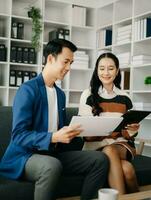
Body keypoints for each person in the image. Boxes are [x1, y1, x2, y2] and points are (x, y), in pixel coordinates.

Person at [0, 39, 109, 200]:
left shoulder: (60, 94)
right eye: (65, 62)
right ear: (50, 58)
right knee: (51, 166)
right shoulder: (28, 90)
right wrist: (53, 137)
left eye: (71, 63)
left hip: (53, 154)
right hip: (25, 157)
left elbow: (60, 132)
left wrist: (76, 131)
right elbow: (19, 135)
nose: (69, 68)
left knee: (99, 160)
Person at [78, 52, 140, 195]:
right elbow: (85, 135)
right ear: (96, 70)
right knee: (127, 170)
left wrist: (133, 130)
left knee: (111, 149)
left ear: (117, 71)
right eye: (102, 68)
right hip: (94, 148)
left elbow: (127, 134)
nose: (106, 72)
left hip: (120, 146)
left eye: (111, 68)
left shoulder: (125, 97)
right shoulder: (88, 95)